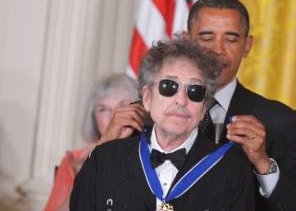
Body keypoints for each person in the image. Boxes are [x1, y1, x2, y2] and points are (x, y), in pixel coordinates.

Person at [69, 39, 255, 211]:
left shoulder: (232, 171)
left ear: (204, 107)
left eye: (195, 91)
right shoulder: (104, 161)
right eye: (169, 87)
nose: (181, 100)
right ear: (147, 98)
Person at [185, 0, 296, 211]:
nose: (218, 50)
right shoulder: (154, 112)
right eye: (207, 38)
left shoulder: (277, 120)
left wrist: (262, 162)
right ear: (188, 42)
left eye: (231, 39)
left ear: (247, 46)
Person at [43, 73, 142, 211]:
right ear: (93, 116)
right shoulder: (75, 160)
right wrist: (103, 145)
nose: (114, 116)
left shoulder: (154, 153)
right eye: (103, 109)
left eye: (122, 107)